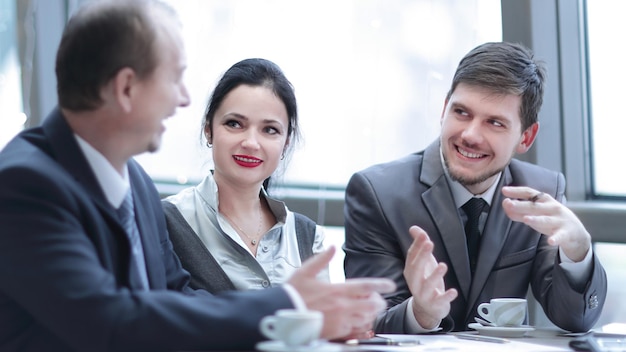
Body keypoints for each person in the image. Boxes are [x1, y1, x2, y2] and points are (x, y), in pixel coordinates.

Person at [0, 1, 395, 351]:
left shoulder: (134, 180)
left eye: (270, 130)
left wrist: (300, 317)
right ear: (125, 88)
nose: (184, 98)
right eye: (174, 78)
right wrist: (287, 301)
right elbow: (110, 322)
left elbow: (179, 296)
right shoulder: (24, 185)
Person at [343, 41, 607, 334]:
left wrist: (579, 252)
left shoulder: (541, 190)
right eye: (462, 112)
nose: (470, 135)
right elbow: (365, 321)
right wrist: (421, 313)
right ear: (444, 109)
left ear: (526, 137)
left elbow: (574, 319)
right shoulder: (377, 193)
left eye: (494, 123)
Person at [162, 58, 329, 294]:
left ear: (286, 142)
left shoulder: (309, 237)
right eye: (234, 124)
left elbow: (324, 326)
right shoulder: (165, 222)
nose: (251, 143)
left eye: (270, 130)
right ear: (208, 129)